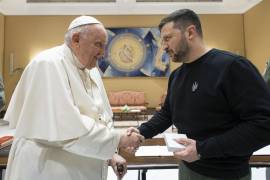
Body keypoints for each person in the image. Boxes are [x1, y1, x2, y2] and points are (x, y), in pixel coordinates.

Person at [128, 9, 270, 180]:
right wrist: (141, 131)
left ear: (190, 32)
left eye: (167, 38)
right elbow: (168, 113)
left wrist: (202, 149)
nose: (163, 46)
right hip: (187, 168)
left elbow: (263, 125)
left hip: (226, 174)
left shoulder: (233, 67)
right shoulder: (177, 75)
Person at [3, 16, 144, 180]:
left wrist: (110, 155)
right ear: (76, 40)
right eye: (98, 44)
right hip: (49, 169)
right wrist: (119, 139)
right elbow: (67, 130)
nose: (103, 53)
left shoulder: (91, 70)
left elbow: (101, 117)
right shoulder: (48, 63)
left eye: (104, 46)